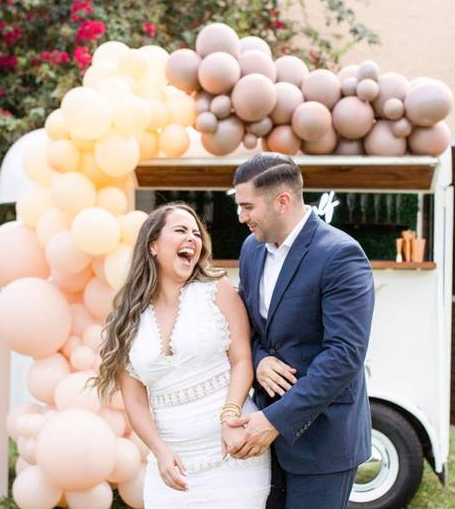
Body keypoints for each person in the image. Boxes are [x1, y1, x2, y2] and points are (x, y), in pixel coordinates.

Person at [93, 203, 271, 508]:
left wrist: (230, 415)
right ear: (153, 245)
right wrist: (159, 450)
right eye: (180, 230)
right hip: (172, 464)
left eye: (196, 233)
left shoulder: (217, 289)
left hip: (233, 454)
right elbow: (134, 400)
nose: (192, 238)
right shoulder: (128, 317)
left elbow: (242, 359)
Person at [226, 153, 375, 509]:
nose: (241, 217)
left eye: (248, 207)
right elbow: (249, 324)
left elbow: (344, 356)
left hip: (323, 440)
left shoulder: (340, 254)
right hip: (263, 438)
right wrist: (259, 360)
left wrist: (275, 420)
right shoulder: (251, 250)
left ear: (282, 201)